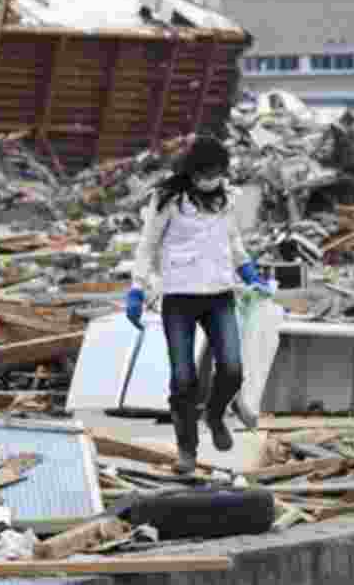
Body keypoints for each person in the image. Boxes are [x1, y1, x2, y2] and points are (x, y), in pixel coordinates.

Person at [125, 135, 268, 474]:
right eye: (205, 172)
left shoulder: (227, 199)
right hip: (179, 298)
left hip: (219, 295)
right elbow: (147, 247)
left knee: (232, 369)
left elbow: (233, 242)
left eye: (217, 172)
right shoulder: (167, 200)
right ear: (192, 171)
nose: (211, 178)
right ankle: (186, 449)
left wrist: (249, 273)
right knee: (183, 378)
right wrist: (137, 289)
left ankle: (216, 415)